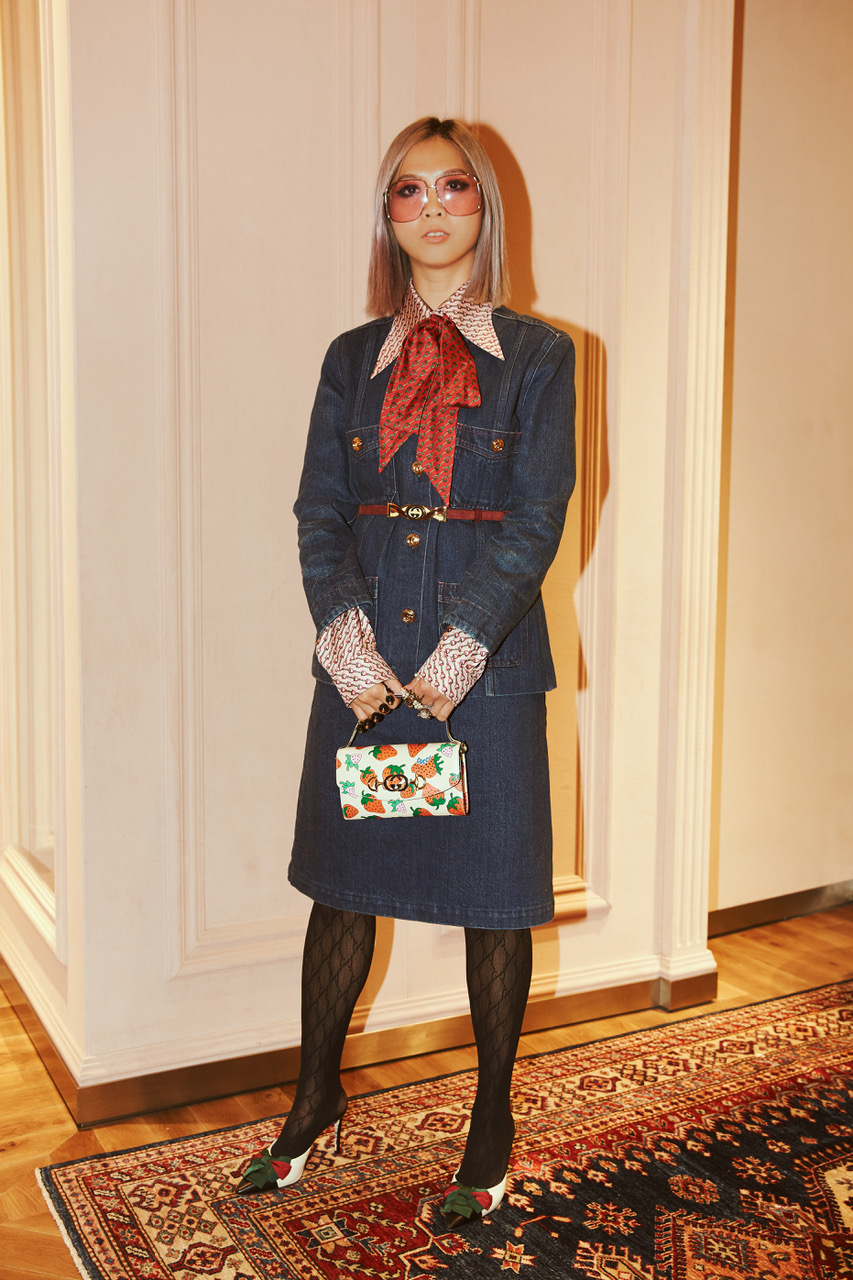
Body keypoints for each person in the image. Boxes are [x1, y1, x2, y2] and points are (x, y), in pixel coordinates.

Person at [237, 117, 575, 1229]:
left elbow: (535, 522)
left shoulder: (541, 357)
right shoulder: (350, 359)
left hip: (489, 672)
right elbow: (319, 511)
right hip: (367, 669)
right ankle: (315, 1097)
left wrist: (455, 656)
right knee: (342, 890)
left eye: (454, 187)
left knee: (494, 903)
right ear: (387, 216)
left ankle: (490, 1120)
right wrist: (349, 647)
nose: (433, 207)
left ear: (485, 207)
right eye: (409, 190)